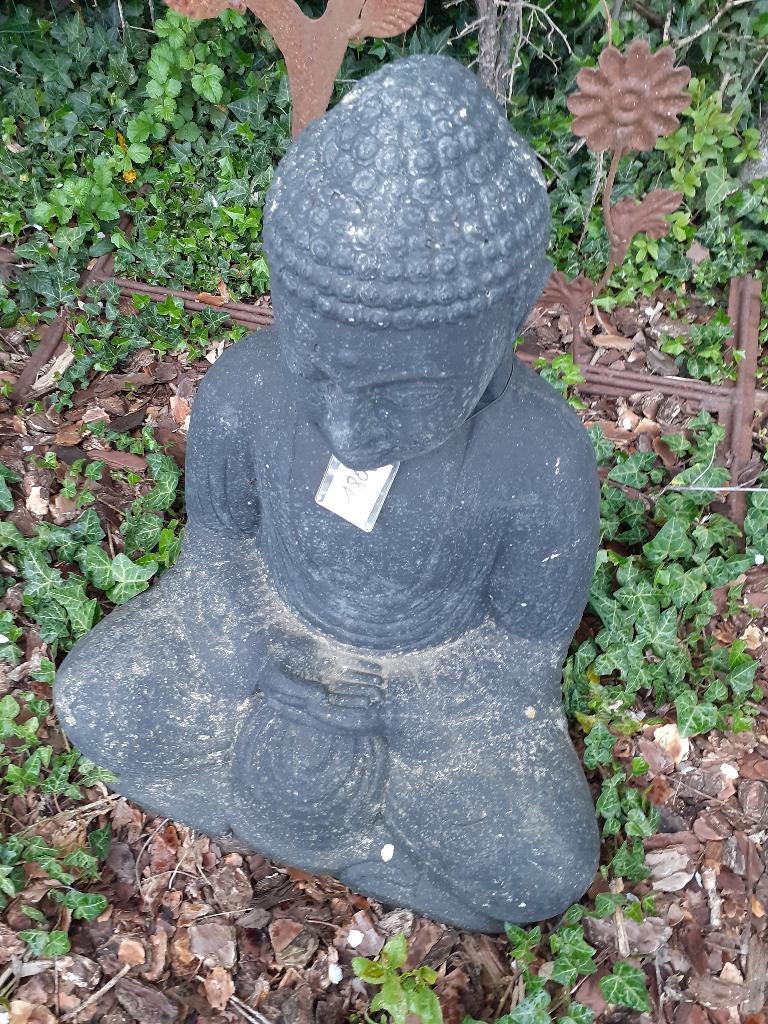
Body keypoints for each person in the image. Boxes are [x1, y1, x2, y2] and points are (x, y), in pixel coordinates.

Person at [55, 55, 600, 931]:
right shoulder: (245, 391)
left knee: (545, 867)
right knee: (95, 700)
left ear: (513, 313)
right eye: (314, 367)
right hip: (265, 649)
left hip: (427, 700)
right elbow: (217, 553)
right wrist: (252, 660)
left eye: (403, 390)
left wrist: (395, 711)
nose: (348, 426)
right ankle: (371, 847)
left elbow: (521, 659)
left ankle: (287, 812)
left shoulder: (543, 461)